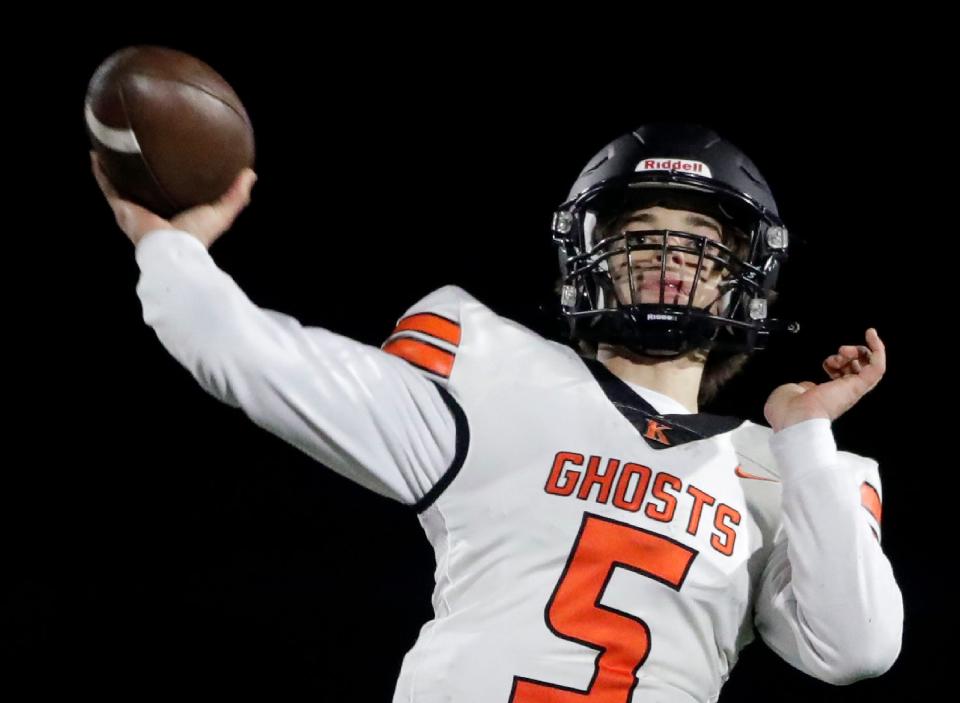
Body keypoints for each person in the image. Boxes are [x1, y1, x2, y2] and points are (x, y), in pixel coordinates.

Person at [90, 121, 902, 702]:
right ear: (591, 262)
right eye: (642, 233)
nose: (666, 257)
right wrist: (169, 244)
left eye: (698, 240)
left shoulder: (793, 469)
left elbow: (855, 648)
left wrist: (806, 436)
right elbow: (247, 355)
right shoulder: (490, 373)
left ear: (741, 278)